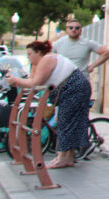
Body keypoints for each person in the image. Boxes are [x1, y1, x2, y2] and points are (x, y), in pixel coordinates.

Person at [8, 40, 91, 169]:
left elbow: (35, 82)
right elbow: (32, 80)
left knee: (65, 122)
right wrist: (24, 75)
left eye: (30, 54)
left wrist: (15, 80)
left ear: (39, 52)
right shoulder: (39, 63)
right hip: (73, 89)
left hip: (74, 89)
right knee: (69, 122)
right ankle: (67, 157)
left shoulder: (47, 59)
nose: (28, 57)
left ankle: (62, 157)